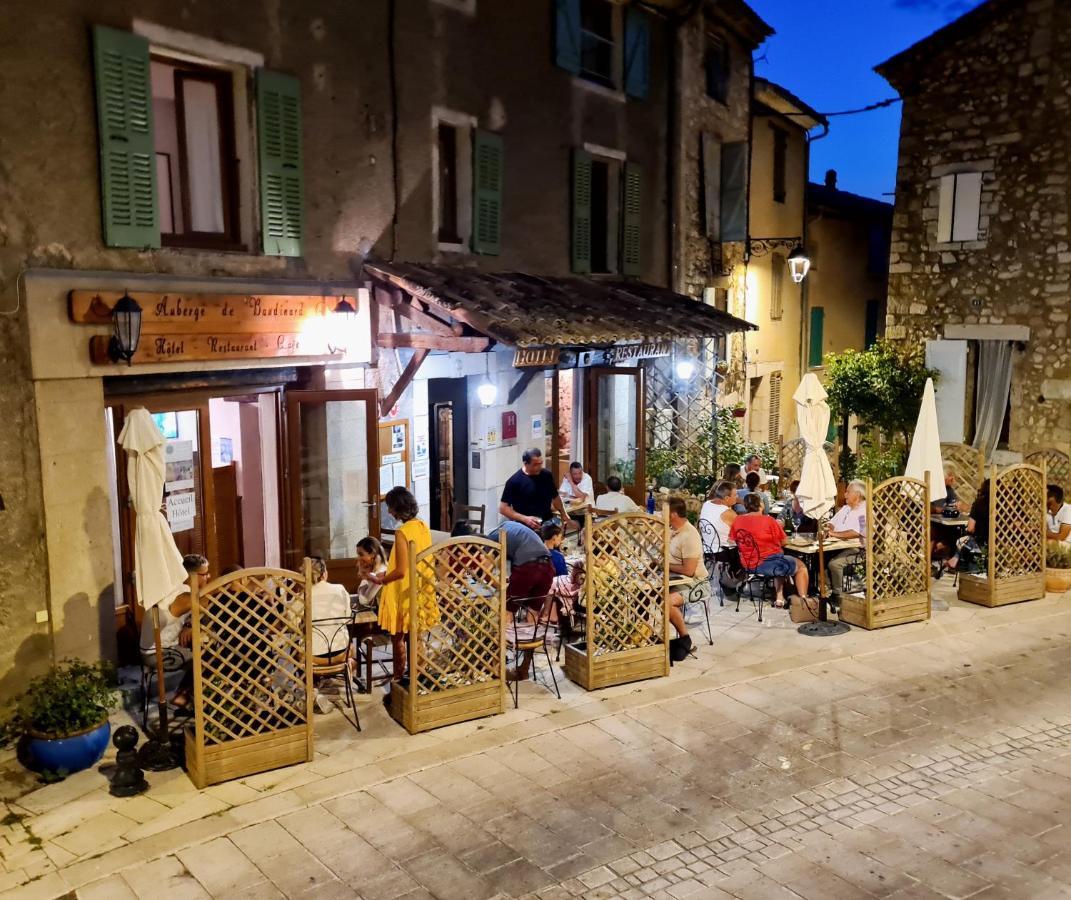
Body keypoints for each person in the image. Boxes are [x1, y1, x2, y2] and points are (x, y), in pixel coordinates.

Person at [366, 487, 438, 703]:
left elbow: (400, 570)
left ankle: (398, 682)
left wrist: (380, 579)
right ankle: (419, 678)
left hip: (403, 591)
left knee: (398, 638)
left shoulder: (403, 532)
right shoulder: (423, 526)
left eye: (390, 507)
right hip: (422, 588)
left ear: (398, 507)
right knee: (417, 637)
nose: (389, 513)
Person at [488, 520, 560, 679]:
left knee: (506, 612)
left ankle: (497, 667)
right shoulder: (515, 529)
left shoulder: (492, 537)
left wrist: (498, 584)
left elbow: (486, 567)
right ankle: (524, 667)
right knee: (532, 615)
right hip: (548, 566)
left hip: (528, 568)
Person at [139, 553, 209, 711]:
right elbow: (207, 603)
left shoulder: (177, 588)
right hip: (158, 653)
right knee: (208, 659)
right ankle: (184, 697)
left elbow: (192, 611)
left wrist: (189, 625)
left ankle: (184, 695)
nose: (208, 577)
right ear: (191, 575)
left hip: (163, 647)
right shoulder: (180, 597)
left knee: (201, 650)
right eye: (204, 574)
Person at [730, 494, 809, 607]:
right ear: (761, 505)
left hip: (747, 564)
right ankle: (804, 601)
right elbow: (784, 542)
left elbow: (732, 539)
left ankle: (780, 596)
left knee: (779, 558)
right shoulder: (768, 520)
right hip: (769, 564)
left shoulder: (738, 520)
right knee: (800, 566)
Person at [667, 498, 708, 658]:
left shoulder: (690, 535)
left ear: (673, 515)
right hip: (675, 579)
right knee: (647, 596)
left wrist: (665, 565)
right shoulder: (672, 531)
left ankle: (686, 639)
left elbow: (689, 571)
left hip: (697, 583)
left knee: (665, 601)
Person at [500, 447, 568, 529]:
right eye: (535, 465)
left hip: (547, 523)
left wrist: (563, 513)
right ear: (525, 463)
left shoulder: (547, 475)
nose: (539, 467)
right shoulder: (514, 481)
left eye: (541, 463)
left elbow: (555, 497)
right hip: (525, 526)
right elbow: (503, 508)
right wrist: (525, 519)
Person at [825, 480, 868, 604]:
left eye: (848, 492)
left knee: (835, 564)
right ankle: (826, 591)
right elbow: (831, 523)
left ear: (858, 495)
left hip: (858, 550)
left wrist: (834, 534)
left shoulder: (865, 510)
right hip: (837, 546)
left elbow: (858, 532)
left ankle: (837, 595)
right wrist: (830, 531)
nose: (844, 495)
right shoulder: (846, 508)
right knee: (818, 558)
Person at [941, 479, 991, 574]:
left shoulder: (978, 504)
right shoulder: (1002, 505)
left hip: (981, 543)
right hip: (997, 542)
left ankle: (954, 560)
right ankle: (954, 559)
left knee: (964, 539)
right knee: (966, 540)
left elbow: (970, 528)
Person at [354, 537, 388, 609]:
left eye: (361, 554)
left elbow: (364, 601)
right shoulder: (379, 569)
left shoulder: (380, 572)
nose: (358, 558)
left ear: (372, 554)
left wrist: (364, 579)